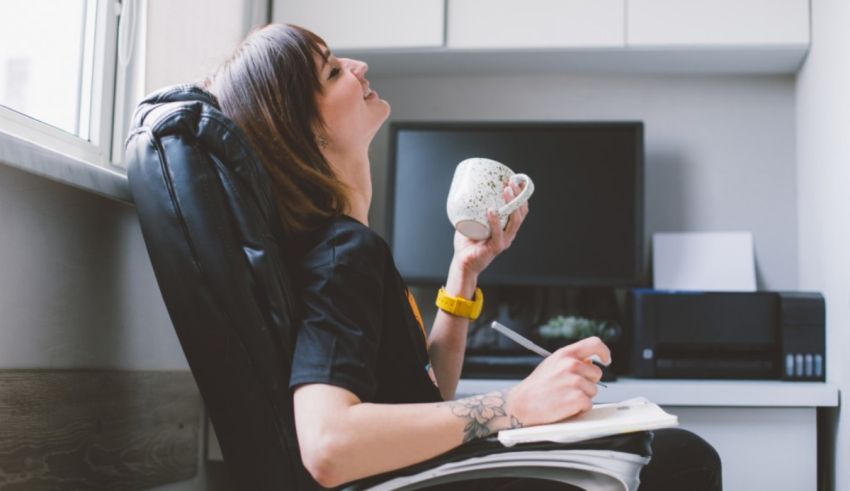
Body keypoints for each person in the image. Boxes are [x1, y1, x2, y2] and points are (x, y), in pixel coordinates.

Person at [204, 23, 721, 491]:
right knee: (684, 458)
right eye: (334, 70)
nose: (359, 67)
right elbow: (328, 444)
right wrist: (515, 406)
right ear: (304, 129)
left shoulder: (346, 246)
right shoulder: (343, 252)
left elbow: (424, 399)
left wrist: (463, 272)